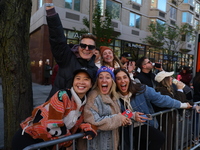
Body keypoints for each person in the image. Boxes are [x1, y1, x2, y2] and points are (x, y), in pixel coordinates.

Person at [11, 68, 97, 150]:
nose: (81, 82)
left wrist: (89, 129)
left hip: (47, 144)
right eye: (78, 78)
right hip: (29, 139)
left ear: (91, 84)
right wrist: (69, 144)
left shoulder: (84, 104)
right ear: (73, 82)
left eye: (86, 79)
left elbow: (79, 124)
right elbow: (53, 124)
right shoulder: (62, 95)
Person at [114, 68, 192, 150]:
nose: (122, 81)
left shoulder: (142, 89)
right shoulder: (114, 96)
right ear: (115, 81)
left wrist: (182, 105)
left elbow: (162, 99)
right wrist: (132, 116)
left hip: (144, 124)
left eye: (125, 77)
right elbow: (115, 114)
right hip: (126, 130)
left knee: (158, 138)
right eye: (118, 79)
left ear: (129, 79)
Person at [44, 0, 98, 100]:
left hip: (80, 112)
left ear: (94, 50)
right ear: (78, 46)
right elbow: (57, 37)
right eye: (83, 45)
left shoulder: (95, 70)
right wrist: (49, 7)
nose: (86, 49)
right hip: (57, 109)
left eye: (90, 47)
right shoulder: (67, 58)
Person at [84, 66, 131, 150]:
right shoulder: (93, 96)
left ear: (112, 81)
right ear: (97, 81)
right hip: (97, 145)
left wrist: (131, 116)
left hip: (112, 143)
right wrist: (119, 119)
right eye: (101, 77)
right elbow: (94, 121)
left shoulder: (114, 96)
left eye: (108, 77)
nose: (104, 80)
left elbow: (119, 115)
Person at [154, 71, 195, 150]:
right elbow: (176, 102)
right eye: (170, 77)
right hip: (164, 121)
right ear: (165, 80)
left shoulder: (170, 89)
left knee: (171, 139)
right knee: (166, 141)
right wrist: (180, 90)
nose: (172, 79)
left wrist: (194, 105)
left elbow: (183, 100)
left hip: (170, 120)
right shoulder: (161, 91)